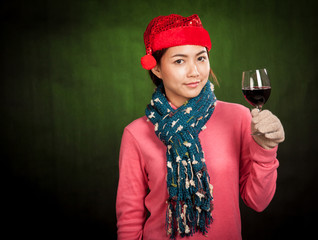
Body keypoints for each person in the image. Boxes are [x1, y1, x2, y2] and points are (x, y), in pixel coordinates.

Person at [116, 14, 285, 240]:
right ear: (156, 69)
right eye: (179, 61)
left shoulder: (238, 117)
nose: (194, 71)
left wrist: (266, 149)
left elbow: (257, 201)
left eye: (201, 58)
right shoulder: (136, 133)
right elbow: (129, 220)